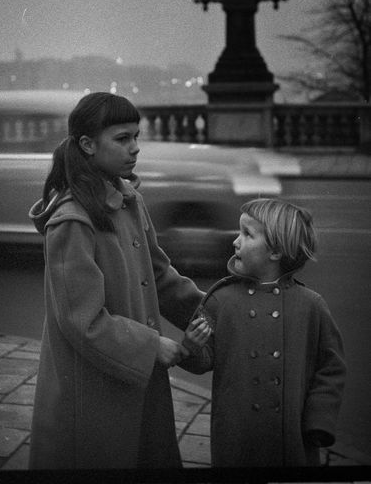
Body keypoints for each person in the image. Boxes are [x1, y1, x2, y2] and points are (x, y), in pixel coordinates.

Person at [28, 92, 203, 470]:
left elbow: (160, 277)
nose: (135, 148)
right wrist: (151, 345)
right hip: (92, 393)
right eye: (123, 139)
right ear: (88, 145)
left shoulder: (129, 200)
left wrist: (215, 312)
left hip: (131, 380)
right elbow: (81, 321)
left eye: (136, 136)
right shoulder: (72, 221)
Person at [180, 198, 346, 468]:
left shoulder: (310, 305)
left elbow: (331, 367)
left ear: (276, 252)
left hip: (293, 440)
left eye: (247, 234)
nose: (235, 241)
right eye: (239, 232)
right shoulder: (220, 300)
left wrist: (319, 422)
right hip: (237, 439)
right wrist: (192, 345)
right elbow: (202, 362)